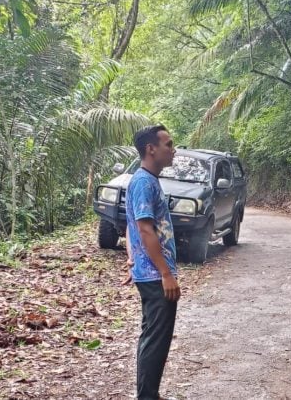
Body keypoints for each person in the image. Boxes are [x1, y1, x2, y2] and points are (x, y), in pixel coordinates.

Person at [125, 124, 181, 400]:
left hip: (149, 271)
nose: (173, 150)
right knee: (156, 340)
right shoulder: (144, 182)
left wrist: (133, 258)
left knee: (153, 337)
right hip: (156, 276)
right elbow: (144, 229)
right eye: (168, 144)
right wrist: (165, 273)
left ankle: (149, 394)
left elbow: (131, 226)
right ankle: (147, 396)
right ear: (151, 149)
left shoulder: (145, 180)